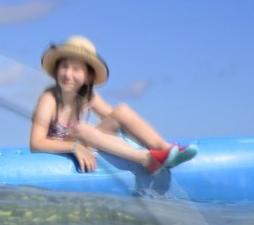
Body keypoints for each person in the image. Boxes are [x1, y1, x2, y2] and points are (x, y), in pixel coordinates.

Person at [29, 36, 196, 175]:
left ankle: (165, 150)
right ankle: (146, 159)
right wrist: (74, 147)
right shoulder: (50, 98)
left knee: (122, 110)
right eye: (64, 67)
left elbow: (116, 117)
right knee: (83, 129)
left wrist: (123, 138)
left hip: (85, 142)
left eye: (76, 69)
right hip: (66, 146)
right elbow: (36, 143)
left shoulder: (88, 96)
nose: (68, 74)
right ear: (57, 69)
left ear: (88, 77)